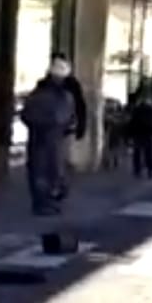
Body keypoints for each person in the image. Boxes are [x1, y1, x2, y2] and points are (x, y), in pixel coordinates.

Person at [21, 57, 77, 216]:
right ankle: (48, 202)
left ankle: (43, 203)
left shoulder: (37, 93)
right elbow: (67, 118)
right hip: (52, 137)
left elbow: (26, 115)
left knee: (40, 171)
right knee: (52, 170)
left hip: (39, 137)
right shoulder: (62, 96)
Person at [49, 52, 87, 200]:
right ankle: (57, 185)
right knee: (54, 158)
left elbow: (80, 106)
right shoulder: (47, 83)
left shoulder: (71, 84)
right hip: (54, 127)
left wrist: (80, 126)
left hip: (64, 128)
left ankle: (60, 185)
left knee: (60, 158)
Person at [128, 68, 152, 179]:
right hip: (144, 125)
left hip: (146, 125)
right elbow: (131, 109)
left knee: (145, 149)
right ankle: (143, 169)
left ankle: (145, 169)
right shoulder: (141, 96)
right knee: (143, 149)